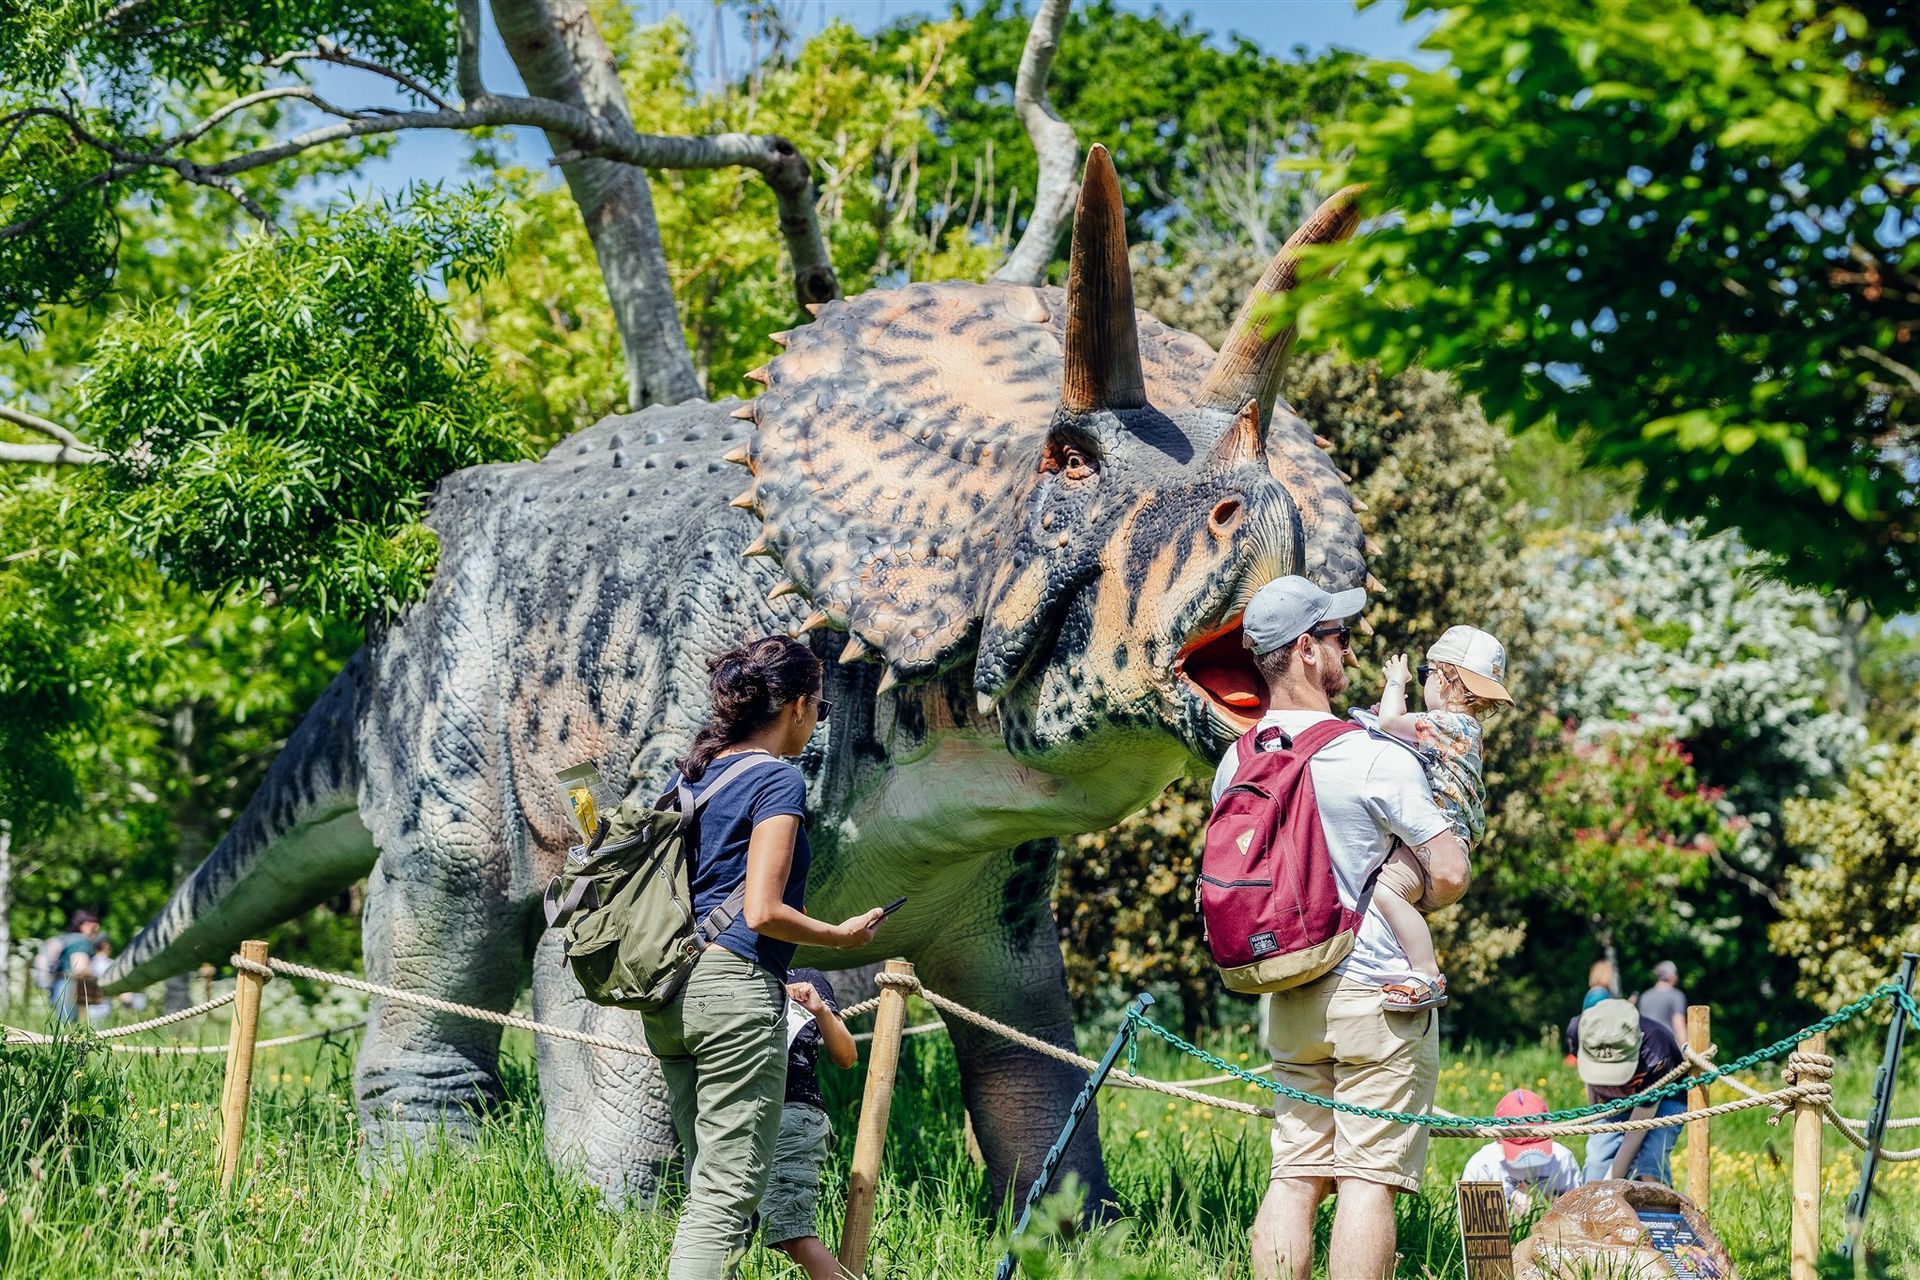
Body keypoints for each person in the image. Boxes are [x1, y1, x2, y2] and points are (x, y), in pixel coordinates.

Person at [1210, 575, 1472, 1280]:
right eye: (1340, 638)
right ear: (1305, 649)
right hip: (1377, 995)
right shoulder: (1371, 755)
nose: (1350, 653)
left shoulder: (1237, 760)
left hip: (1289, 986)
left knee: (1294, 1176)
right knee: (1366, 1182)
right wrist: (1408, 891)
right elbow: (1449, 872)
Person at [640, 636, 890, 1280]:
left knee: (712, 1189)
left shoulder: (691, 776)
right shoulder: (777, 779)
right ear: (799, 706)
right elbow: (762, 910)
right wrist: (841, 936)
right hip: (733, 991)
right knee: (725, 1200)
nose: (816, 723)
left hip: (670, 992)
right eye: (819, 710)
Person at [1363, 626, 1514, 1011]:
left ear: (1445, 680)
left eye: (1424, 674)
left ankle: (1426, 972)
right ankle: (1408, 969)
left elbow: (1389, 721)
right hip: (1451, 848)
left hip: (1435, 847)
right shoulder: (1466, 730)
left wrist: (1396, 682)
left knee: (1384, 892)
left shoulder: (1449, 724)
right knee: (1395, 901)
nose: (1421, 682)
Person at [762, 967, 857, 1280]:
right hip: (736, 1116)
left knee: (792, 1231)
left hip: (791, 1114)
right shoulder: (724, 972)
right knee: (724, 1232)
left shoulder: (803, 979)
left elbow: (847, 1056)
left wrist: (819, 1010)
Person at [1566, 997, 1686, 1184]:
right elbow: (1590, 1084)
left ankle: (1657, 1200)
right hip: (1611, 1102)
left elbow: (1635, 1132)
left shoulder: (1657, 1049)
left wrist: (1608, 1186)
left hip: (1664, 1100)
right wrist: (1595, 1121)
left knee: (1650, 1164)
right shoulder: (1579, 1031)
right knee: (1597, 1165)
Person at [1458, 1089, 1584, 1215]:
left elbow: (1580, 1212)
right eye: (1517, 1147)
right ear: (1497, 1137)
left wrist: (1545, 1207)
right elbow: (1471, 1221)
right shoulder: (1483, 1165)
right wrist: (1506, 1210)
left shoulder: (1562, 1159)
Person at [48, 910, 103, 1024]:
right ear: (84, 924)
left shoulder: (67, 938)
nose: (97, 927)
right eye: (93, 923)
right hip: (71, 986)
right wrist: (97, 978)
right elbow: (79, 967)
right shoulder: (81, 941)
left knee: (60, 1024)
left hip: (59, 983)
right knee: (68, 1025)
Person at [1639, 960, 1691, 1046]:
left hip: (1646, 1045)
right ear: (1672, 976)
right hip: (1666, 1045)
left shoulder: (1645, 995)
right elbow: (1678, 1022)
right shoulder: (1676, 995)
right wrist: (1684, 1047)